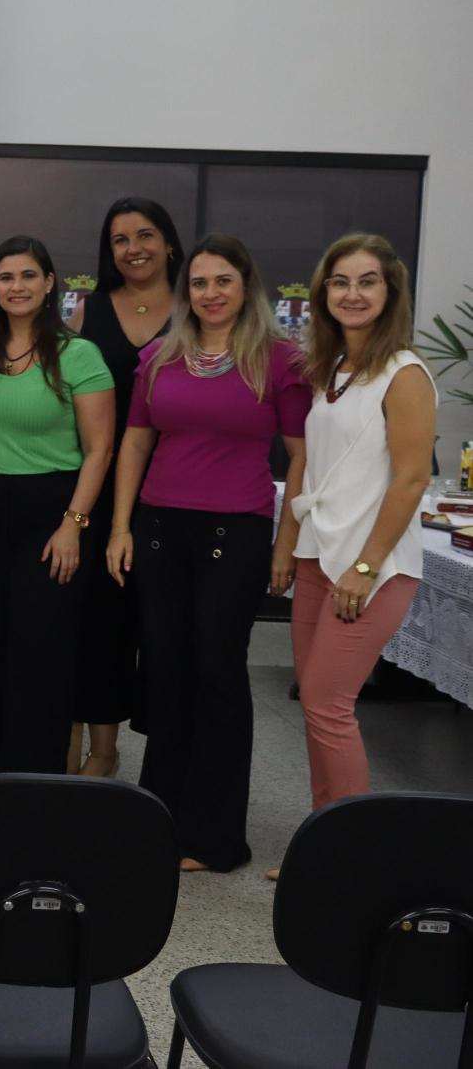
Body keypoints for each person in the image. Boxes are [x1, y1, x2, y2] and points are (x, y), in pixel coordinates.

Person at [106, 234, 310, 873]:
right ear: (185, 291)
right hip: (160, 530)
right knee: (166, 674)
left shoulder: (280, 360)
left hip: (235, 533)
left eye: (223, 280)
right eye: (199, 282)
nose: (211, 293)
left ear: (247, 286)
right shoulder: (159, 356)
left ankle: (215, 838)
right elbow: (135, 443)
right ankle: (160, 821)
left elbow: (301, 457)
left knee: (217, 676)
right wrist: (120, 527)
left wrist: (285, 544)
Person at [271, 234, 434, 878]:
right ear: (323, 293)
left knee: (328, 705)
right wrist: (290, 544)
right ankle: (323, 845)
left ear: (390, 292)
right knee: (316, 706)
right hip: (321, 556)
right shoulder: (334, 368)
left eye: (368, 281)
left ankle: (354, 860)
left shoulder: (404, 373)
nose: (353, 294)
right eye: (340, 281)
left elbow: (411, 479)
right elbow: (313, 466)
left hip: (373, 567)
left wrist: (365, 567)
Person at [0, 236, 114, 775]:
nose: (16, 287)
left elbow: (100, 450)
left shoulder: (79, 354)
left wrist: (73, 524)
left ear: (48, 284)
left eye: (27, 276)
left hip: (52, 514)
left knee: (40, 651)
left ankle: (34, 777)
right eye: (5, 277)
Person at [67, 197, 182, 776]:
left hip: (178, 492)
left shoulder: (198, 307)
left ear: (169, 243)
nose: (133, 249)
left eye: (145, 235)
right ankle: (103, 751)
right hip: (102, 486)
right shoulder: (89, 310)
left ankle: (170, 760)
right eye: (120, 239)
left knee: (166, 632)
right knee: (102, 626)